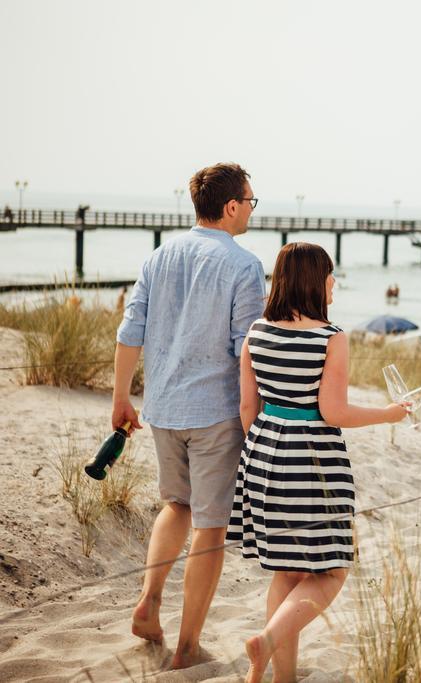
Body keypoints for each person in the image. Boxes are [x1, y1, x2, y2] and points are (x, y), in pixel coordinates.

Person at [228, 242, 409, 683]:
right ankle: (266, 641)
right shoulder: (331, 338)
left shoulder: (256, 332)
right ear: (313, 280)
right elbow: (334, 413)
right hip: (312, 460)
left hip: (263, 454)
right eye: (330, 275)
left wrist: (267, 447)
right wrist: (389, 413)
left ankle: (279, 676)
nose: (334, 284)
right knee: (331, 570)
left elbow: (247, 411)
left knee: (287, 571)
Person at [113, 163, 266, 668]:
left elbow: (129, 330)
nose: (251, 209)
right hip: (215, 413)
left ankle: (149, 602)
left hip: (163, 407)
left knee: (176, 505)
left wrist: (121, 398)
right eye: (250, 201)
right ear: (230, 206)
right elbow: (245, 351)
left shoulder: (160, 256)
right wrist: (255, 415)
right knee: (211, 527)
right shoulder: (243, 266)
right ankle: (186, 646)